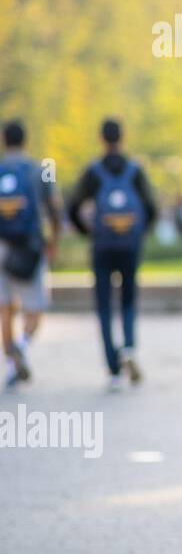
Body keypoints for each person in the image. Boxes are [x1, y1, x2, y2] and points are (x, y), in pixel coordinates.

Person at [66, 118, 157, 391]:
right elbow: (151, 208)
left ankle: (113, 366)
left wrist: (89, 231)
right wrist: (138, 233)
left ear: (101, 138)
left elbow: (72, 207)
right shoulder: (135, 170)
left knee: (104, 305)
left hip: (103, 246)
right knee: (128, 299)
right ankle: (129, 346)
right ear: (123, 137)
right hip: (129, 246)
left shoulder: (93, 172)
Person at [0, 121, 62, 388]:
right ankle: (22, 346)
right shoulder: (41, 169)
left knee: (5, 307)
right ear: (26, 140)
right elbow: (55, 208)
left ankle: (11, 362)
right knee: (35, 306)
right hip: (30, 245)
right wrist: (54, 240)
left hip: (2, 245)